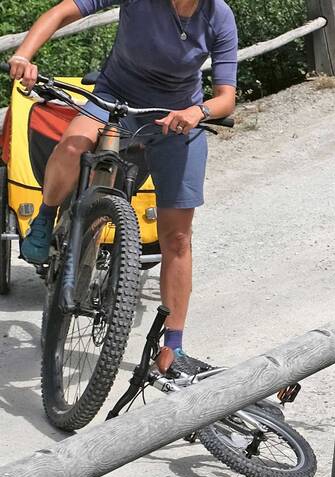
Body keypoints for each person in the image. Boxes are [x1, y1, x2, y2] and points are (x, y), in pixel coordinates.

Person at [8, 0, 238, 373]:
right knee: (71, 146)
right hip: (114, 99)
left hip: (176, 119)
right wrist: (24, 55)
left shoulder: (219, 17)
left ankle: (172, 347)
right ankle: (46, 215)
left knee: (177, 238)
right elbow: (63, 10)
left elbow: (226, 96)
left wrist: (199, 112)